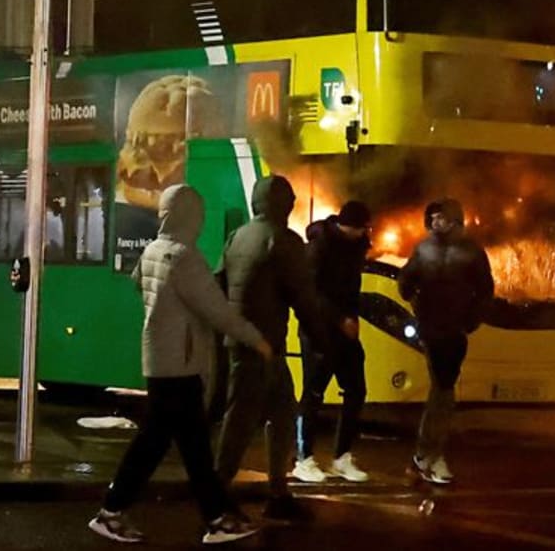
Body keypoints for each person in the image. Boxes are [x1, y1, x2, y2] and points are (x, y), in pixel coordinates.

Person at [88, 184, 271, 545]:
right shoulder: (185, 257)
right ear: (190, 216)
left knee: (169, 443)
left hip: (159, 359)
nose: (201, 221)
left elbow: (138, 282)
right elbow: (218, 311)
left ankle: (120, 511)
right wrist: (257, 339)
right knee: (187, 447)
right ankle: (213, 520)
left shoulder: (155, 249)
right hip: (180, 365)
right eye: (199, 214)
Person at [215, 175, 332, 521]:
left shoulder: (238, 237)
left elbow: (220, 281)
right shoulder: (284, 240)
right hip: (262, 344)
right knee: (242, 419)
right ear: (283, 204)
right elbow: (303, 297)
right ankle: (220, 492)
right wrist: (321, 340)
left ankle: (277, 492)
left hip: (244, 341)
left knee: (279, 414)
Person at [397, 198, 494, 485]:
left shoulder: (471, 252)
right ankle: (430, 456)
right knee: (443, 392)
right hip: (432, 329)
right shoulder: (424, 250)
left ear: (455, 221)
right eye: (434, 218)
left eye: (442, 218)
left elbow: (485, 289)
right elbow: (405, 282)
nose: (437, 222)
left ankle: (425, 457)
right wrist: (419, 306)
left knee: (443, 391)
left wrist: (471, 320)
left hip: (455, 331)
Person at [295, 201, 372, 483]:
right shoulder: (320, 246)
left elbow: (352, 290)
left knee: (356, 389)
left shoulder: (357, 246)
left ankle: (342, 456)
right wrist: (341, 319)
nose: (364, 234)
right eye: (361, 228)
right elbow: (311, 292)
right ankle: (304, 459)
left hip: (344, 331)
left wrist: (351, 318)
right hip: (317, 330)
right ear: (347, 225)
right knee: (313, 393)